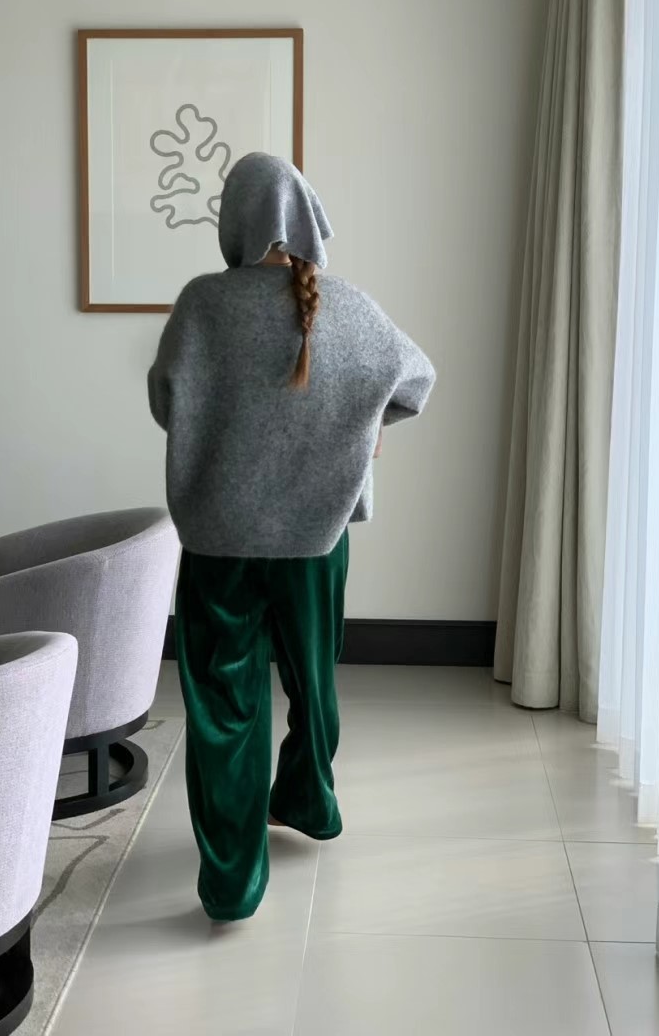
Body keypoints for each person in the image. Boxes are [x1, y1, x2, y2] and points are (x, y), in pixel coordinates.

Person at [148, 152, 435, 922]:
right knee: (313, 680)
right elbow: (417, 381)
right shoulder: (348, 305)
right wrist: (365, 429)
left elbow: (165, 402)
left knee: (223, 707)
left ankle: (233, 882)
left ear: (235, 220)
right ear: (307, 217)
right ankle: (308, 799)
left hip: (219, 540)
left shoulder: (202, 304)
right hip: (317, 538)